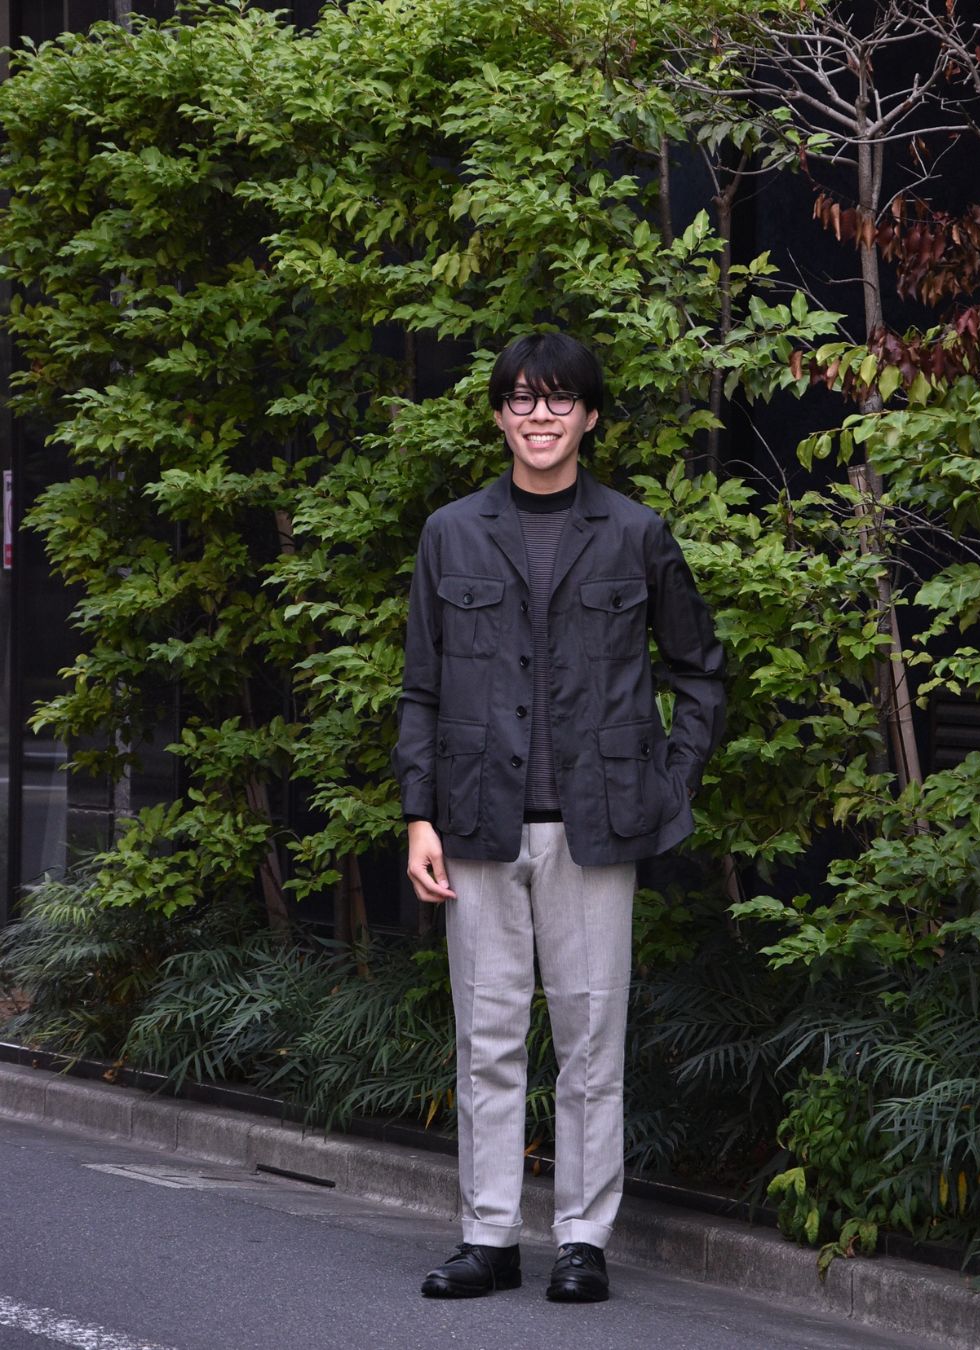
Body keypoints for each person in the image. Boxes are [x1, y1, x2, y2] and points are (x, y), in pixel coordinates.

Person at [392, 331, 725, 1302]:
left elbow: (701, 671)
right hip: (475, 822)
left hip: (598, 829)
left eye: (560, 399)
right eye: (523, 399)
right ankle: (489, 1238)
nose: (540, 416)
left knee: (590, 1042)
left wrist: (666, 783)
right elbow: (421, 688)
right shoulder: (451, 532)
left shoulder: (636, 533)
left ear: (589, 416)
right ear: (500, 416)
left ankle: (583, 1240)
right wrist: (419, 817)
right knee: (487, 1039)